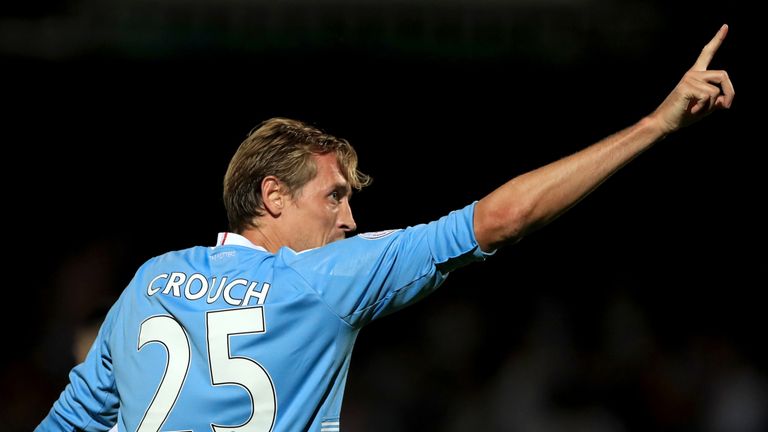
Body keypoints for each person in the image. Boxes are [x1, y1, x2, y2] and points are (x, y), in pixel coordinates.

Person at [36, 24, 734, 432]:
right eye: (334, 196)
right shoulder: (325, 280)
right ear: (271, 195)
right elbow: (502, 218)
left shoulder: (150, 282)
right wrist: (653, 125)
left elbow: (67, 426)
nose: (350, 217)